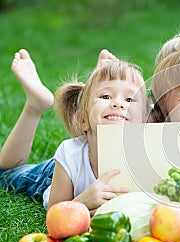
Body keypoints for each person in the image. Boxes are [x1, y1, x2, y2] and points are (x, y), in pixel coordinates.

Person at [0, 49, 147, 215]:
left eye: (129, 99)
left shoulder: (148, 156)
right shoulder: (69, 153)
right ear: (82, 120)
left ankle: (96, 90)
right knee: (4, 174)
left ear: (145, 123)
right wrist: (83, 202)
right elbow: (54, 216)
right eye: (106, 97)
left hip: (88, 148)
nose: (119, 104)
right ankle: (35, 106)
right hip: (56, 175)